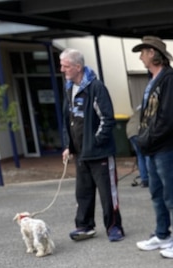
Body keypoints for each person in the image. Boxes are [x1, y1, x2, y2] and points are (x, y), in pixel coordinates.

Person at [132, 36, 173, 259]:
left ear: (152, 53)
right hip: (153, 148)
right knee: (157, 194)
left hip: (167, 148)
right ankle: (162, 234)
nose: (140, 57)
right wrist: (143, 139)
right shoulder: (153, 79)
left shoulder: (171, 79)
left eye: (142, 52)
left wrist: (147, 140)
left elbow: (169, 118)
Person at [59, 48, 125, 242]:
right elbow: (69, 119)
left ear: (78, 67)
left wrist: (96, 142)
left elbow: (107, 119)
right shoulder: (69, 88)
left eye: (66, 66)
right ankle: (84, 226)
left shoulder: (96, 87)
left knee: (107, 194)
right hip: (80, 153)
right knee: (83, 192)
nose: (62, 70)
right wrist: (69, 146)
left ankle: (114, 227)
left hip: (99, 153)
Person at [126, 106, 149, 187]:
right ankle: (152, 178)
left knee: (140, 155)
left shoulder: (137, 110)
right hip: (139, 131)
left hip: (130, 132)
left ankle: (145, 179)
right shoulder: (149, 107)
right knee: (147, 154)